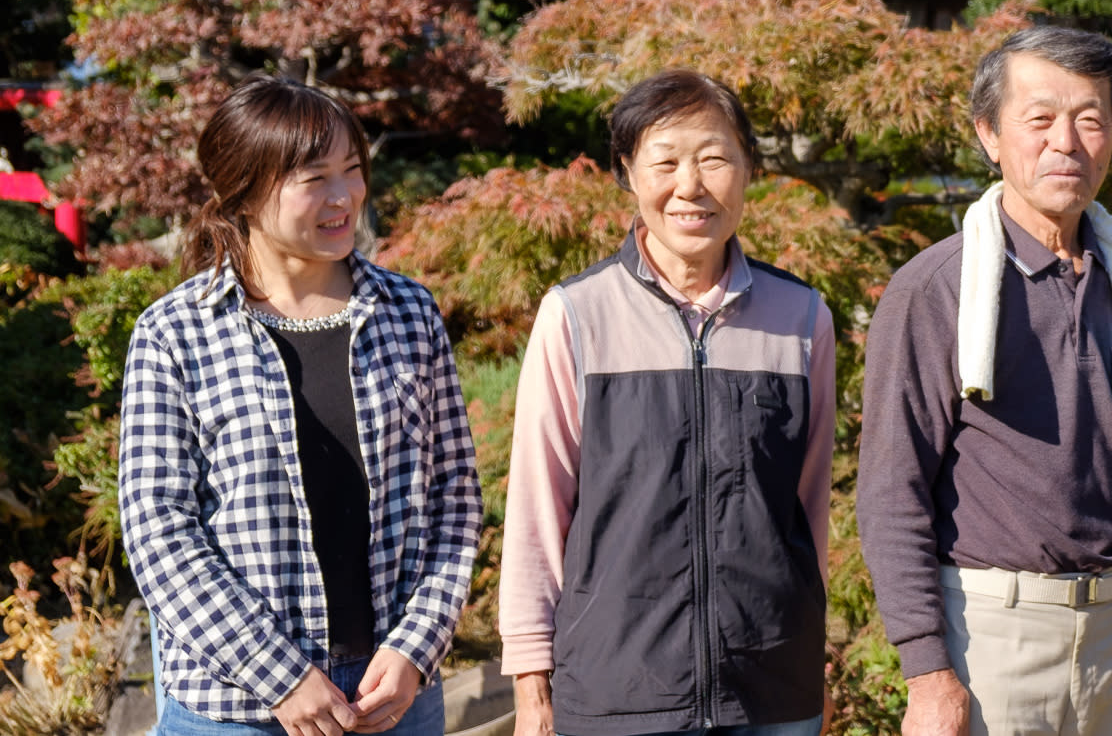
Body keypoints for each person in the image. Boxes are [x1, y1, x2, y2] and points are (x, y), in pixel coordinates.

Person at [119, 75, 482, 736]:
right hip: (235, 707)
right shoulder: (176, 331)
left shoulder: (409, 313)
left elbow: (454, 495)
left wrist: (416, 647)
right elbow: (159, 534)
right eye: (315, 178)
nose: (344, 197)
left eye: (352, 169)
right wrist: (279, 674)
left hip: (392, 697)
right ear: (245, 190)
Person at [858, 26, 1112, 736]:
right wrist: (925, 671)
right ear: (988, 133)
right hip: (986, 638)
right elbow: (892, 491)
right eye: (1038, 119)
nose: (1064, 142)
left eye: (1090, 119)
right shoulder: (935, 290)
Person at [498, 69, 836, 736]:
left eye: (714, 159)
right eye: (665, 161)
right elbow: (538, 505)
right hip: (617, 689)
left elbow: (811, 503)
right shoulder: (576, 313)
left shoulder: (800, 315)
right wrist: (532, 679)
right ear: (628, 172)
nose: (691, 185)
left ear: (748, 170)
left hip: (770, 688)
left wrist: (808, 645)